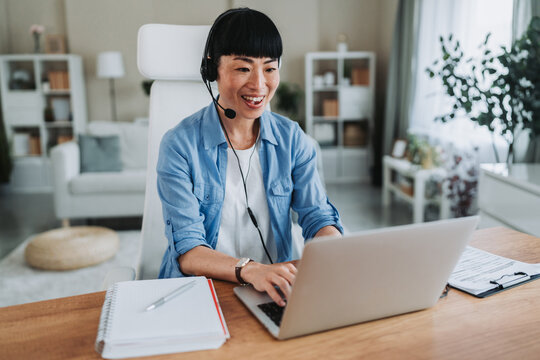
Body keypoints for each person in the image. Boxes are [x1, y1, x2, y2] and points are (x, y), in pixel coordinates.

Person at [157, 7, 343, 306]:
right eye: (243, 68)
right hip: (199, 291)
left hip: (273, 289)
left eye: (269, 68)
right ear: (211, 70)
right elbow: (189, 251)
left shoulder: (292, 138)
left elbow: (317, 215)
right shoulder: (179, 145)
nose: (259, 84)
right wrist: (250, 270)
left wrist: (332, 246)